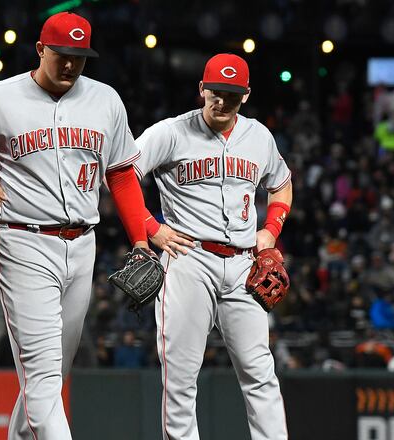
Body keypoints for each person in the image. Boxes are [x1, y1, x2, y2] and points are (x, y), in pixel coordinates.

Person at [0, 12, 151, 439]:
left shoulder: (106, 100)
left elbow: (120, 173)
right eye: (62, 55)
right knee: (43, 379)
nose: (70, 66)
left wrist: (140, 240)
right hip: (22, 241)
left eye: (79, 58)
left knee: (49, 378)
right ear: (41, 49)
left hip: (84, 245)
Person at [134, 53, 292, 440]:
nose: (222, 102)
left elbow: (282, 183)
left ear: (246, 95)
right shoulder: (170, 133)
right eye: (215, 93)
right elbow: (121, 176)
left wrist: (271, 230)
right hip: (189, 260)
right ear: (201, 89)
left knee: (260, 372)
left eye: (232, 95)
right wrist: (149, 227)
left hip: (243, 265)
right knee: (181, 376)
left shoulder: (258, 136)